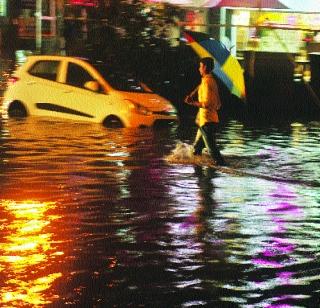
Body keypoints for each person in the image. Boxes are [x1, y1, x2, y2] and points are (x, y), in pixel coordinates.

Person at [184, 57, 226, 166]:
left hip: (208, 122)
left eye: (200, 66)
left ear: (205, 67)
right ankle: (199, 173)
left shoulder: (207, 82)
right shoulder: (208, 81)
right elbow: (218, 104)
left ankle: (223, 168)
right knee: (196, 150)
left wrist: (192, 103)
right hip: (206, 122)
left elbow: (207, 103)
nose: (199, 69)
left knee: (213, 152)